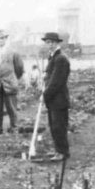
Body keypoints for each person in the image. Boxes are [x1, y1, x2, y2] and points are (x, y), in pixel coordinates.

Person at [37, 32, 71, 162]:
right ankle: (59, 150)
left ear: (57, 43)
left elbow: (56, 82)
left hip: (59, 100)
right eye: (47, 42)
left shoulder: (61, 59)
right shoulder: (53, 57)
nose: (49, 44)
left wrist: (44, 95)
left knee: (59, 127)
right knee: (54, 126)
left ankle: (62, 152)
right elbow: (50, 77)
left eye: (52, 42)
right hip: (53, 100)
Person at [0, 29, 24, 135]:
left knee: (12, 109)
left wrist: (13, 79)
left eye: (3, 38)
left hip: (10, 85)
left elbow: (19, 69)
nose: (1, 40)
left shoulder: (14, 53)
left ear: (6, 39)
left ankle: (14, 129)